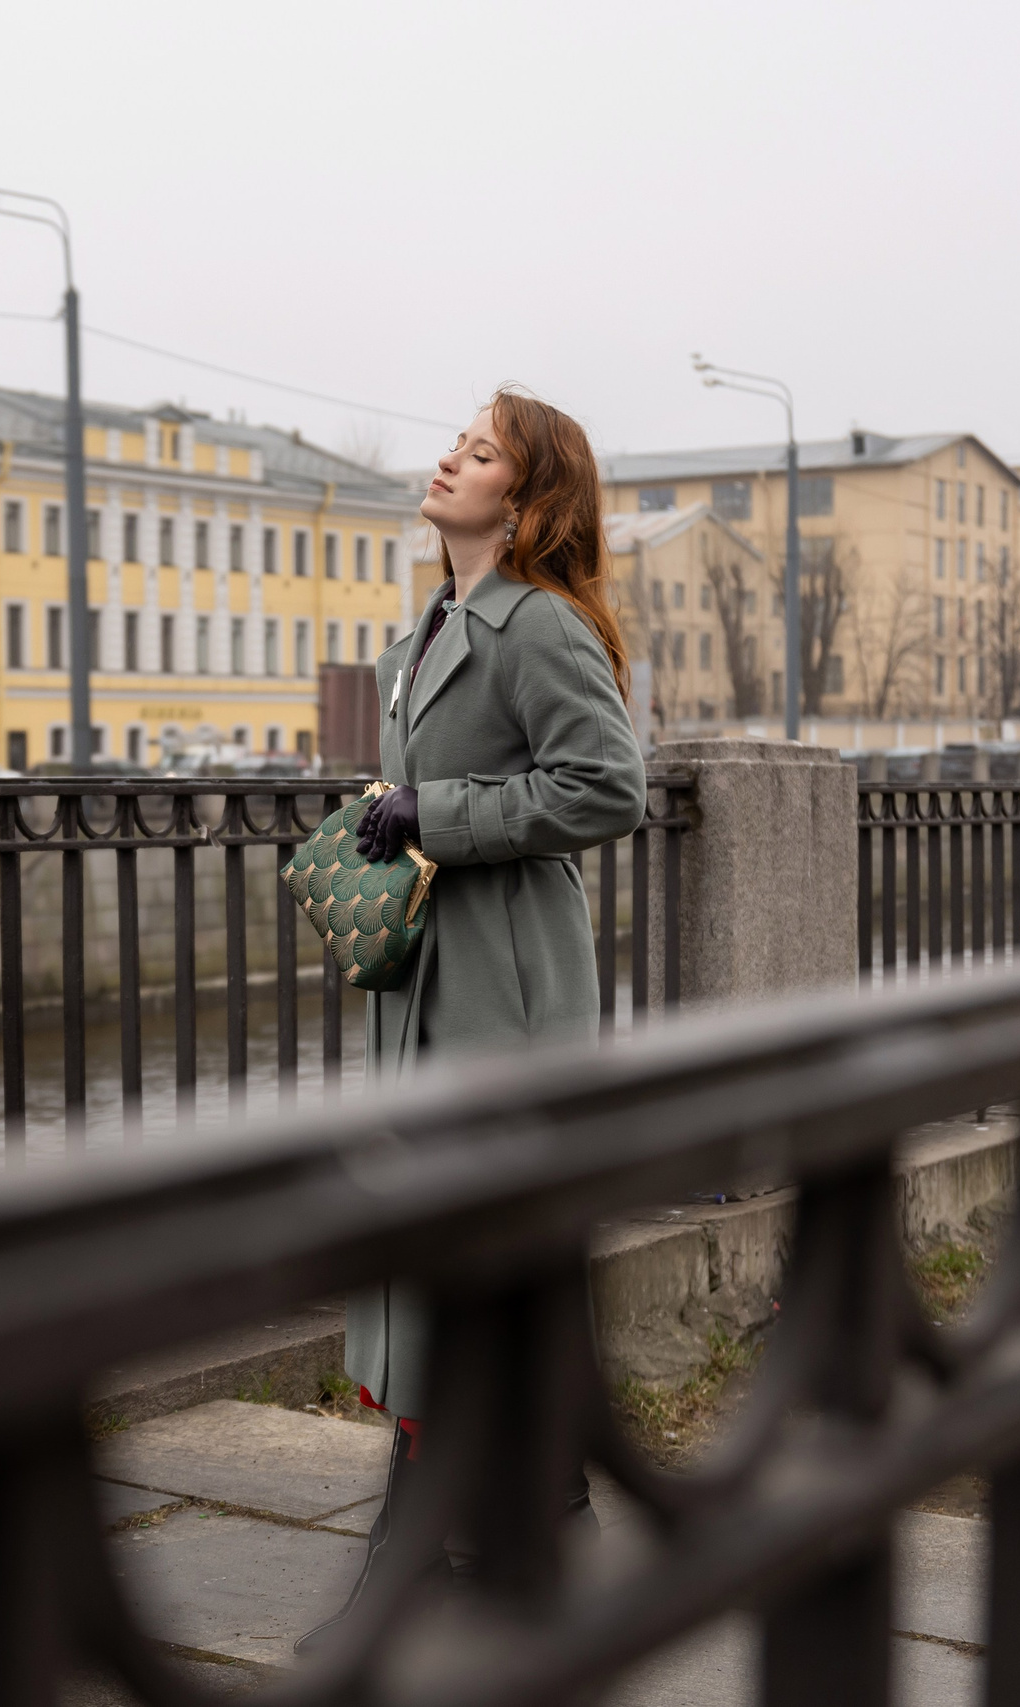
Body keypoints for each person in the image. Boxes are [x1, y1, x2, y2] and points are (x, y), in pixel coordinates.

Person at [298, 387, 646, 1654]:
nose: (448, 458)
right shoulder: (433, 627)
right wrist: (398, 813)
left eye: (480, 451)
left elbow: (610, 788)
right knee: (459, 1269)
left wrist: (436, 814)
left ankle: (415, 1570)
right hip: (432, 989)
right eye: (455, 443)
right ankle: (540, 1536)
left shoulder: (536, 626)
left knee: (465, 1266)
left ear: (528, 496)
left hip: (503, 994)